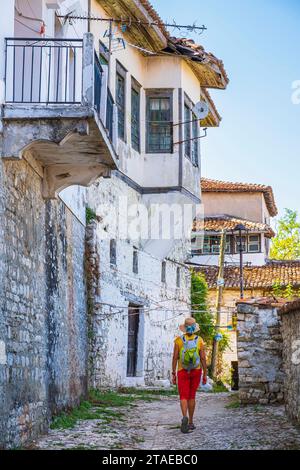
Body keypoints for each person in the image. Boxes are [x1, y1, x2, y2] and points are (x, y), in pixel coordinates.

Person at [172, 317, 207, 433]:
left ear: (184, 328)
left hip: (182, 371)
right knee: (192, 396)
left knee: (183, 396)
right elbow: (202, 358)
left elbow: (175, 357)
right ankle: (191, 422)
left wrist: (173, 373)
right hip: (196, 371)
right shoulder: (200, 340)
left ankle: (184, 417)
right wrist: (205, 373)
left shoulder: (178, 340)